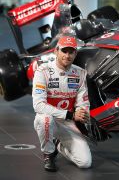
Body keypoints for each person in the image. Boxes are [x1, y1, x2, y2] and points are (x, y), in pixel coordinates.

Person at [33, 35, 92, 172]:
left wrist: (83, 113)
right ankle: (48, 154)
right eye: (64, 51)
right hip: (50, 118)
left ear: (75, 53)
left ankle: (58, 145)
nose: (67, 55)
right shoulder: (43, 71)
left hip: (68, 123)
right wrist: (71, 114)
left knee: (85, 163)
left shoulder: (80, 73)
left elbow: (83, 101)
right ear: (56, 51)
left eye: (71, 52)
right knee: (45, 119)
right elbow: (38, 105)